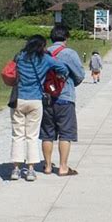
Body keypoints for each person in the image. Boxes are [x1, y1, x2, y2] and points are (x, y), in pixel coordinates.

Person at [10, 34, 67, 181]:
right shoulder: (46, 59)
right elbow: (62, 68)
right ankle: (30, 170)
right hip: (35, 100)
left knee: (17, 135)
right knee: (32, 136)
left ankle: (15, 169)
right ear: (42, 46)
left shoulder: (20, 57)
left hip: (19, 99)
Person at [40, 24, 85, 177]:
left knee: (47, 133)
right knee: (65, 133)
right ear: (66, 38)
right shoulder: (69, 53)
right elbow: (80, 75)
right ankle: (63, 167)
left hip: (46, 98)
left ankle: (46, 166)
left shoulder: (43, 53)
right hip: (65, 97)